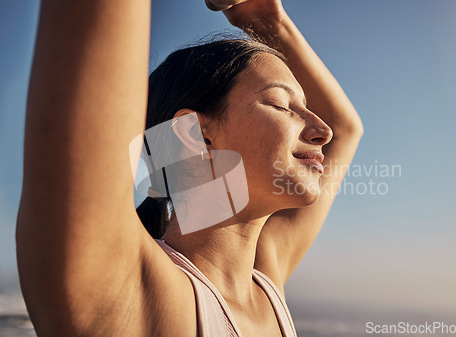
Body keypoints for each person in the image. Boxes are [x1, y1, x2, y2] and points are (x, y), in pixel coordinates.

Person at [16, 0, 363, 336]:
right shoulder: (133, 293)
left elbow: (344, 129)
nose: (322, 131)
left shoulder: (264, 278)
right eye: (281, 104)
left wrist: (265, 18)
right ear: (194, 136)